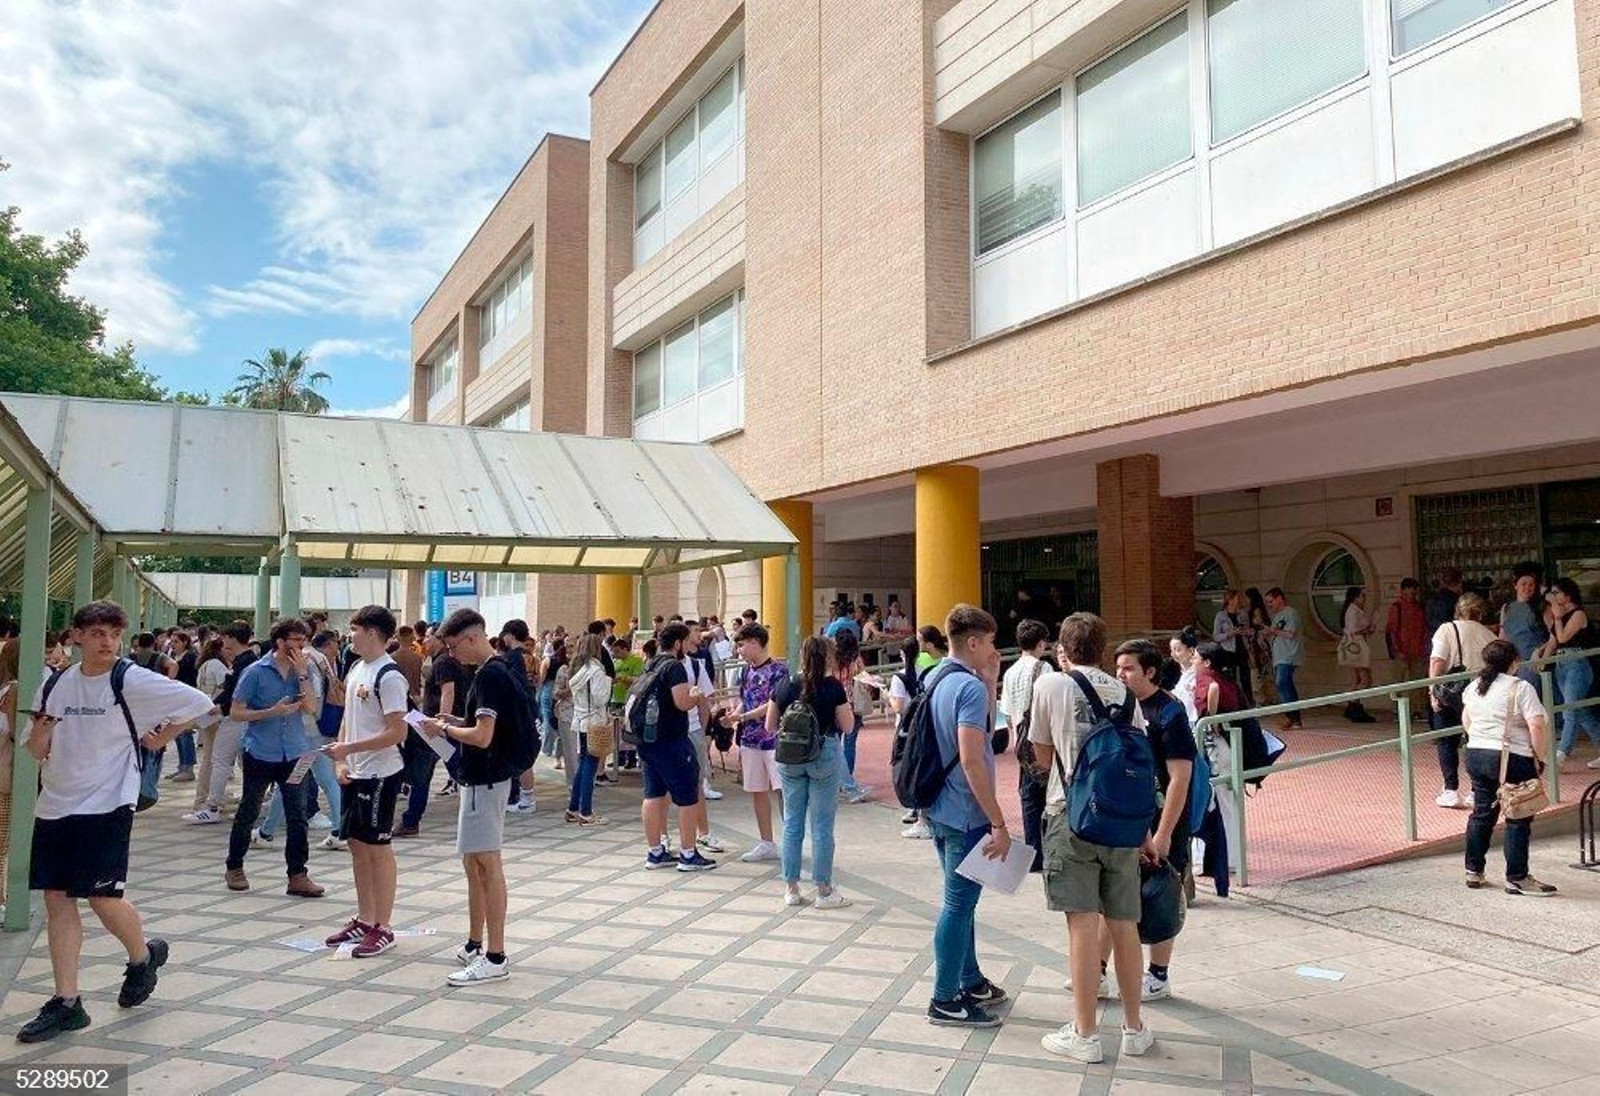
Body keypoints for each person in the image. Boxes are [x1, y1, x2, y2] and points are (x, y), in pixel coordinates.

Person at [17, 600, 214, 1043]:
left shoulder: (131, 678)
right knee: (57, 900)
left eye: (113, 633)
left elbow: (201, 702)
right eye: (98, 633)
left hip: (108, 803)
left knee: (102, 898)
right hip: (55, 804)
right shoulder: (55, 685)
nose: (107, 641)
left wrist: (162, 736)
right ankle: (67, 1001)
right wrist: (44, 731)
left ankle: (142, 957)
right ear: (76, 637)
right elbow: (34, 750)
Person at [1028, 612, 1154, 1062]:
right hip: (1123, 823)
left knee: (1082, 924)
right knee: (1124, 922)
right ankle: (1135, 1028)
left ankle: (1084, 1034)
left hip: (1071, 814)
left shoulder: (1051, 686)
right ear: (1103, 648)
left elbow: (1042, 756)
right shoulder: (1125, 692)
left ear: (1064, 646)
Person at [921, 605, 1010, 1029]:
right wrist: (998, 820)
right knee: (958, 905)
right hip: (965, 811)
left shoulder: (936, 676)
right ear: (972, 642)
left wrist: (990, 683)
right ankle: (945, 998)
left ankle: (969, 979)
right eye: (990, 641)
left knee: (963, 902)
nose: (994, 649)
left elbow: (981, 736)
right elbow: (975, 759)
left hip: (937, 805)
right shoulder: (967, 689)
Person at [424, 609, 521, 984]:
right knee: (475, 863)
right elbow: (482, 729)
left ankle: (495, 956)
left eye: (452, 646)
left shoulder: (489, 677)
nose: (451, 655)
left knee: (486, 863)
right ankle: (477, 943)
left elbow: (482, 736)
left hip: (485, 777)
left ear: (471, 638)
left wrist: (446, 729)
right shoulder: (496, 671)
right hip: (483, 778)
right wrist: (448, 725)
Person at [322, 605, 410, 958]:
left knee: (378, 847)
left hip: (381, 773)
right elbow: (348, 717)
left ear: (374, 633)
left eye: (355, 629)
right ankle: (365, 917)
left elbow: (397, 732)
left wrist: (350, 748)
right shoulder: (358, 667)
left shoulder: (389, 676)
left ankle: (383, 925)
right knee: (357, 845)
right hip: (355, 772)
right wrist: (342, 760)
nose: (350, 635)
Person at [1111, 640, 1195, 1002]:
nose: (1120, 674)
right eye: (1118, 668)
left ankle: (1158, 974)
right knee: (1114, 895)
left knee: (1160, 892)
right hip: (1128, 819)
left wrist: (1163, 834)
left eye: (1128, 668)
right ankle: (1097, 969)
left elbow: (1180, 777)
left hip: (1162, 822)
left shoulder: (1169, 712)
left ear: (1150, 671)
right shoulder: (1120, 708)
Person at [223, 617, 324, 897]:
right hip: (260, 751)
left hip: (295, 751)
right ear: (280, 642)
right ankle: (235, 865)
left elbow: (311, 708)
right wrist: (271, 712)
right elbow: (236, 712)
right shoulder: (256, 671)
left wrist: (302, 674)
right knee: (249, 809)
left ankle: (298, 875)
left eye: (304, 641)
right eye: (296, 640)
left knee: (298, 815)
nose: (301, 646)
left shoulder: (302, 670)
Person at [1461, 640, 1556, 895]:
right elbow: (1536, 726)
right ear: (1513, 661)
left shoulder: (1474, 687)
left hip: (1476, 754)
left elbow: (1466, 721)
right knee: (1518, 816)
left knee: (1483, 813)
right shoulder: (1521, 688)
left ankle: (1473, 871)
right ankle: (1517, 877)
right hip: (1511, 757)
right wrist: (1541, 756)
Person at [766, 636, 853, 909]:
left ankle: (791, 889)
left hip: (790, 757)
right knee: (822, 825)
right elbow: (848, 727)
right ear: (828, 657)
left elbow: (770, 725)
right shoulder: (833, 687)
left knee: (792, 823)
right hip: (824, 754)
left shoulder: (785, 684)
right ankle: (824, 890)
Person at [637, 622, 717, 872]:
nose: (690, 645)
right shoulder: (674, 667)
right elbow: (682, 703)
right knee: (687, 796)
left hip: (648, 740)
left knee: (653, 794)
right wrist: (695, 695)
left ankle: (655, 852)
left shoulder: (651, 663)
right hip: (671, 740)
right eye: (687, 640)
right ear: (678, 643)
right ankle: (688, 854)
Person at [724, 623, 788, 862]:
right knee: (757, 790)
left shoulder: (778, 671)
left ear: (754, 642)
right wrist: (735, 715)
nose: (739, 650)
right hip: (750, 739)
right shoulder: (746, 671)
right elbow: (746, 699)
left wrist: (743, 716)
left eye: (741, 645)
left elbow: (774, 704)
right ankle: (766, 841)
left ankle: (792, 839)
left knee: (782, 790)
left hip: (773, 739)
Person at [1428, 593, 1497, 808]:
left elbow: (1437, 661)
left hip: (1451, 693)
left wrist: (1432, 691)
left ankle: (1450, 790)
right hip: (1480, 692)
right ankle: (1477, 790)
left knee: (1446, 740)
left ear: (1457, 609)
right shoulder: (1489, 635)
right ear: (1480, 612)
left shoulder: (1446, 629)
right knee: (1475, 740)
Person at [184, 621, 256, 825]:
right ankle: (249, 806)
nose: (222, 641)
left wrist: (219, 708)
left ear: (232, 638)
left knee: (220, 760)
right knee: (247, 764)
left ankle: (212, 806)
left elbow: (235, 692)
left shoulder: (243, 662)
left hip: (235, 718)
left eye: (225, 637)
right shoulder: (250, 660)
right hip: (247, 718)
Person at [1001, 619, 1052, 873]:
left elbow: (1008, 714)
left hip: (1021, 742)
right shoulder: (1045, 669)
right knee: (1049, 797)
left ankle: (1033, 854)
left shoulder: (1010, 672)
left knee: (1028, 798)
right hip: (1041, 740)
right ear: (1041, 642)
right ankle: (1048, 851)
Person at [1541, 577, 1600, 767]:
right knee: (1579, 709)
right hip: (1561, 664)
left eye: (1557, 592)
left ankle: (1562, 751)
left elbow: (1564, 637)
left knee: (1569, 708)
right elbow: (1553, 642)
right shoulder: (1560, 616)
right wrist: (1543, 661)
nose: (1554, 596)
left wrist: (1557, 617)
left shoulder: (1578, 614)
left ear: (1568, 595)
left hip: (1577, 663)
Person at [564, 634, 612, 825]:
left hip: (581, 719)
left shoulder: (577, 669)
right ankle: (586, 811)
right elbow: (600, 699)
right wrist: (608, 682)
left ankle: (573, 808)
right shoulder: (596, 671)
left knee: (583, 763)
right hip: (594, 721)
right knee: (590, 766)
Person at [832, 629, 871, 805]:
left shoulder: (833, 661)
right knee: (849, 744)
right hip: (854, 707)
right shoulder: (856, 660)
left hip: (836, 707)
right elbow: (865, 681)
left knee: (834, 744)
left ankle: (842, 782)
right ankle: (848, 781)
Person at [190, 638, 228, 813]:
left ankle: (205, 796)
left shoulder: (204, 666)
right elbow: (226, 687)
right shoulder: (218, 666)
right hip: (216, 714)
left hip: (205, 714)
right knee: (213, 759)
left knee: (208, 758)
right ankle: (204, 798)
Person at [1499, 561, 1549, 683]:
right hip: (1513, 664)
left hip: (1535, 662)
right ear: (1515, 585)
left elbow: (1554, 636)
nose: (1527, 588)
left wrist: (1540, 651)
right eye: (1523, 584)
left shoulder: (1542, 607)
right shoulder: (1506, 608)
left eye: (1531, 584)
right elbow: (1503, 637)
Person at [1262, 589, 1303, 732]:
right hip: (1279, 655)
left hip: (1288, 655)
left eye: (1271, 601)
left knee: (1282, 682)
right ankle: (1295, 718)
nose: (1269, 605)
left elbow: (1290, 634)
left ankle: (1290, 716)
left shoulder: (1290, 613)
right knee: (1286, 685)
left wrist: (1272, 631)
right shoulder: (1277, 616)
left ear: (1279, 598)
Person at [1338, 587, 1378, 723]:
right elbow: (1353, 631)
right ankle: (1353, 705)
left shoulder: (1353, 610)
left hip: (1353, 646)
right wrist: (1368, 629)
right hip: (1356, 647)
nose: (1364, 598)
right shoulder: (1353, 611)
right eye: (1362, 596)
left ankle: (1352, 706)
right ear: (1355, 597)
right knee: (1365, 680)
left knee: (1355, 679)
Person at [167, 631, 200, 782]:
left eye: (176, 642)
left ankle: (188, 767)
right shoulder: (174, 657)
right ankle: (182, 766)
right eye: (172, 642)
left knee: (185, 732)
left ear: (185, 642)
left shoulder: (190, 658)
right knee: (178, 733)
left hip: (187, 699)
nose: (173, 645)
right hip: (176, 699)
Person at [1211, 590, 1253, 706]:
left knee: (1245, 677)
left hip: (1242, 648)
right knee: (1230, 678)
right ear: (1229, 600)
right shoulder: (1221, 616)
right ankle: (1233, 703)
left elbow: (1247, 630)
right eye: (1235, 598)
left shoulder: (1242, 614)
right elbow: (1215, 636)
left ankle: (1249, 703)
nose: (1238, 601)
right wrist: (1230, 633)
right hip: (1228, 650)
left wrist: (1246, 632)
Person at [610, 634, 644, 773]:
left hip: (629, 699)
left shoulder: (636, 661)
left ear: (625, 649)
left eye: (618, 651)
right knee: (615, 730)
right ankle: (619, 757)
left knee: (629, 728)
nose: (615, 654)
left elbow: (638, 679)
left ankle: (631, 757)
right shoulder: (616, 663)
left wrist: (623, 678)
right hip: (616, 699)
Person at [1244, 588, 1277, 707]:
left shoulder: (1256, 610)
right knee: (1262, 671)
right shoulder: (1258, 609)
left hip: (1258, 644)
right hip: (1258, 643)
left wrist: (1250, 630)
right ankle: (1268, 697)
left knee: (1258, 670)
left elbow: (1258, 623)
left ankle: (1261, 699)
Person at [1167, 627, 1200, 724]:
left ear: (1191, 651)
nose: (1173, 654)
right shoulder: (1174, 672)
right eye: (1171, 650)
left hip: (1194, 721)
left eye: (1177, 650)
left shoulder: (1198, 673)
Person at [1426, 566, 1466, 638]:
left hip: (1434, 638)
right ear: (1459, 583)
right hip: (1451, 638)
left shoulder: (1433, 599)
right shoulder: (1457, 601)